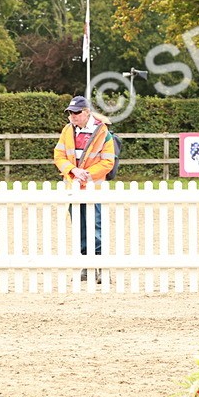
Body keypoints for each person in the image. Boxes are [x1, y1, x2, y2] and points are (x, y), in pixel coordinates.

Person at [53, 96, 116, 282]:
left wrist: (87, 174)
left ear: (86, 112)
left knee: (95, 226)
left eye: (76, 112)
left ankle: (100, 266)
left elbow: (107, 162)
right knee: (79, 226)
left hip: (93, 188)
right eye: (70, 113)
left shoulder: (103, 133)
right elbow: (59, 155)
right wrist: (73, 170)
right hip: (74, 187)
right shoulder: (67, 130)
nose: (72, 116)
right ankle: (87, 266)